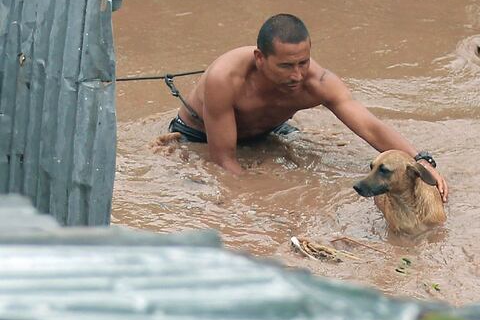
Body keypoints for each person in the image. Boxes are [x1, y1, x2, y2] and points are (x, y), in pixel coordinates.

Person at [169, 14, 448, 201]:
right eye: (286, 66)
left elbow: (369, 126)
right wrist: (259, 200)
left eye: (303, 62)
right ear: (260, 59)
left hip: (268, 131)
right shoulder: (225, 79)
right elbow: (224, 161)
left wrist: (420, 159)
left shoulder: (317, 81)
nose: (297, 75)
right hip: (199, 136)